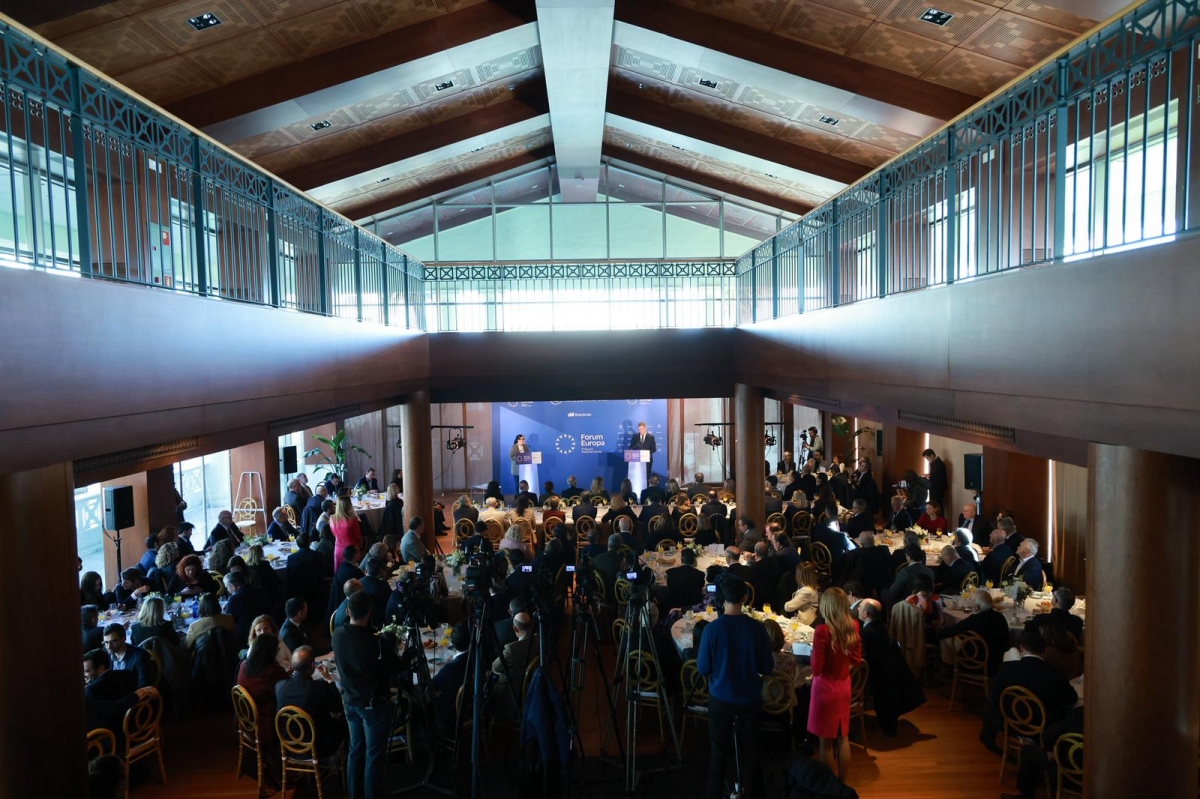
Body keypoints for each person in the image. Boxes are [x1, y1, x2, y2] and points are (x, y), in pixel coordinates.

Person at [696, 574, 774, 799]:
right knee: (752, 751)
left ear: (721, 599)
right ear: (744, 597)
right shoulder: (757, 629)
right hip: (750, 699)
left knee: (718, 753)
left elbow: (702, 668)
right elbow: (767, 667)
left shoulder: (712, 630)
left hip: (720, 699)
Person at [335, 590, 399, 799]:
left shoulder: (338, 634)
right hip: (371, 705)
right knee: (373, 756)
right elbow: (389, 669)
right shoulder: (374, 643)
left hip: (349, 702)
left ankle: (355, 794)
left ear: (347, 611)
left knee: (356, 751)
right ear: (370, 613)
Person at [979, 629, 1077, 754]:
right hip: (1041, 729)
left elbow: (995, 698)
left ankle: (988, 738)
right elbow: (1072, 699)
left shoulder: (1007, 668)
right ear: (1046, 651)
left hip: (1010, 724)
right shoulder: (1055, 674)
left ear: (1021, 649)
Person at [808, 587, 862, 779]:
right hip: (843, 685)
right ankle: (842, 783)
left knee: (825, 742)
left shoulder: (822, 631)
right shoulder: (854, 626)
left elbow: (816, 669)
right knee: (842, 737)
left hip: (825, 688)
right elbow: (856, 660)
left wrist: (813, 652)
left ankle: (830, 786)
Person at [857, 599, 925, 736]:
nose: (857, 609)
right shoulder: (882, 627)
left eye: (859, 607)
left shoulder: (866, 633)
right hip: (894, 675)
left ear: (865, 613)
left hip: (879, 677)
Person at [237, 633, 287, 794]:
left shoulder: (244, 665)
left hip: (247, 722)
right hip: (266, 725)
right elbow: (285, 692)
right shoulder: (271, 671)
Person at [276, 645, 345, 758]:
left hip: (289, 745)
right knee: (344, 720)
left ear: (293, 666)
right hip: (317, 747)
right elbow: (337, 708)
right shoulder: (320, 688)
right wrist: (329, 680)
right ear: (313, 665)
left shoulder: (279, 686)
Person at [936, 590, 1010, 676]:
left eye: (971, 605)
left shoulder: (975, 619)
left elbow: (952, 630)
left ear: (977, 607)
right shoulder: (1000, 617)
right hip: (998, 664)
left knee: (945, 638)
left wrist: (937, 634)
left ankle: (948, 669)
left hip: (977, 664)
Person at [83, 647, 152, 738]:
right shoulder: (127, 674)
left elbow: (114, 709)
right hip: (140, 726)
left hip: (114, 738)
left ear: (100, 668)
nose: (84, 675)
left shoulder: (92, 690)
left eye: (87, 671)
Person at [431, 622, 471, 732]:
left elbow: (432, 685)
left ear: (452, 642)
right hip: (475, 704)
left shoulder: (450, 669)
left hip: (452, 712)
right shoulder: (477, 658)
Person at [224, 571, 272, 645]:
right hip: (266, 628)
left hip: (247, 635)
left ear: (234, 587)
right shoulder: (260, 591)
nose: (227, 590)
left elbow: (229, 619)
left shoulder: (234, 599)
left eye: (227, 587)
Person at [286, 530, 326, 615]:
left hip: (298, 589)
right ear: (309, 542)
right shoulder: (318, 555)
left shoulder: (291, 558)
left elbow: (288, 577)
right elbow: (322, 571)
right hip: (316, 588)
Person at [102, 623, 155, 688]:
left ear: (124, 638)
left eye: (114, 641)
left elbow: (144, 686)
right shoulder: (105, 654)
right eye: (106, 642)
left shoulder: (140, 656)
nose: (109, 646)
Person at [841, 531, 893, 596]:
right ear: (874, 541)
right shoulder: (884, 550)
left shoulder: (854, 554)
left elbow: (847, 572)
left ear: (861, 543)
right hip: (882, 582)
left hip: (862, 585)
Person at [884, 543, 935, 608]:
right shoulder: (930, 571)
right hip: (925, 605)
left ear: (909, 557)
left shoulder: (904, 572)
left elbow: (893, 594)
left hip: (906, 604)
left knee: (884, 593)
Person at [329, 546, 365, 618]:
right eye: (359, 551)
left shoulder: (342, 566)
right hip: (351, 605)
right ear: (355, 556)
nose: (360, 553)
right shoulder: (354, 573)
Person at [331, 495, 364, 573]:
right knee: (353, 573)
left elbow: (334, 534)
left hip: (338, 549)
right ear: (348, 505)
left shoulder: (332, 518)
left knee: (340, 573)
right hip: (352, 550)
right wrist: (361, 547)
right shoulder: (352, 519)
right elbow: (358, 536)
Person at [359, 557, 392, 628]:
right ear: (380, 572)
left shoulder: (358, 583)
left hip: (360, 619)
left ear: (366, 570)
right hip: (380, 621)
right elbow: (390, 603)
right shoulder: (383, 585)